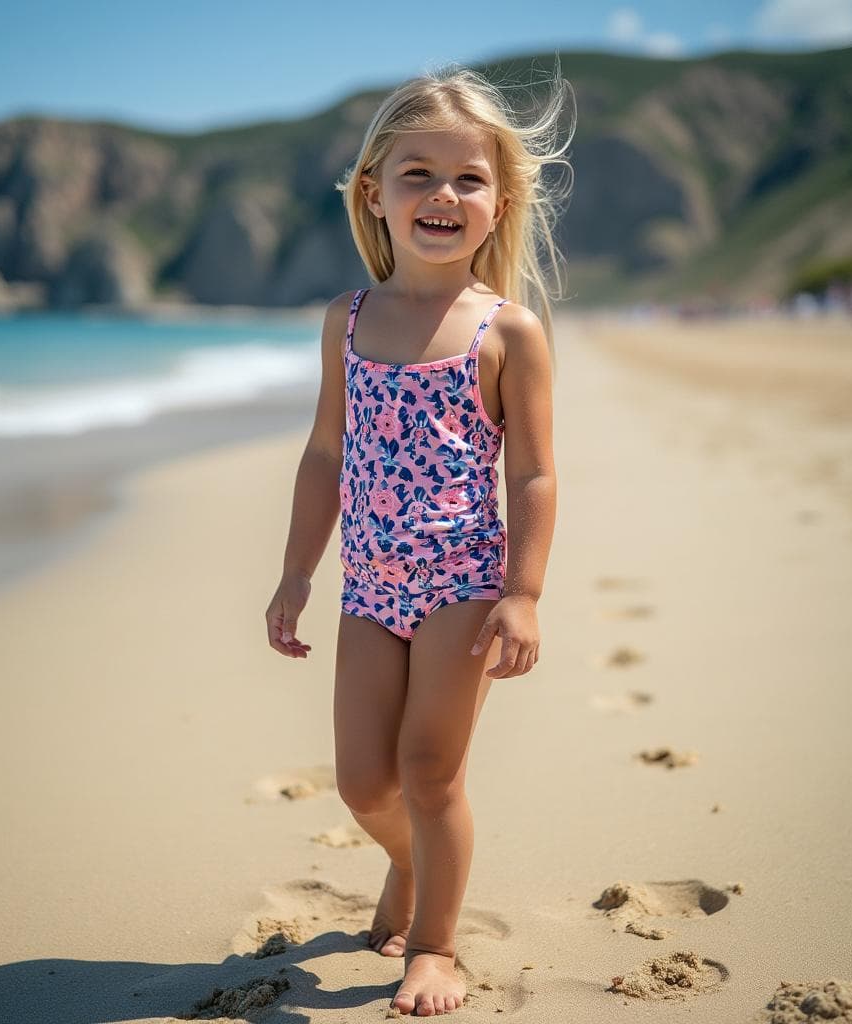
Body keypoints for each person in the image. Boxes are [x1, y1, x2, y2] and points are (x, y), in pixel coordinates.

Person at [265, 61, 573, 1017]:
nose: (443, 194)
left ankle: (434, 947)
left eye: (468, 178)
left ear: (499, 200)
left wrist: (522, 592)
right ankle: (406, 863)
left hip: (463, 583)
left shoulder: (508, 333)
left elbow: (531, 473)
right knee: (364, 783)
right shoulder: (347, 322)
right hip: (369, 585)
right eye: (417, 174)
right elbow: (325, 455)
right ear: (375, 192)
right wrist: (295, 574)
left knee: (430, 771)